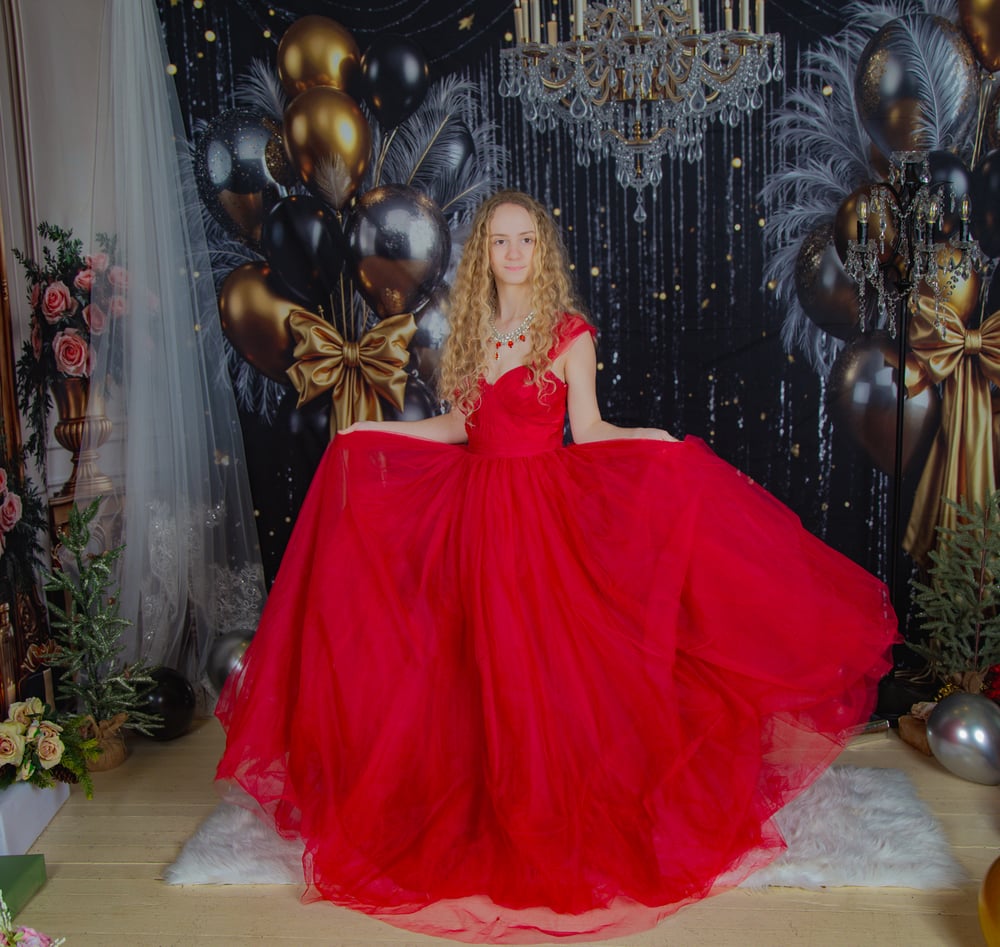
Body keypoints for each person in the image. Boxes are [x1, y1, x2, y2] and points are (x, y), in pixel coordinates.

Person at [215, 189, 898, 943]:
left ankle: (544, 815)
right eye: (500, 241)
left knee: (540, 669)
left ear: (542, 251)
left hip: (540, 519)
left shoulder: (568, 333)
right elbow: (458, 425)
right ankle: (486, 806)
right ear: (484, 254)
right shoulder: (469, 332)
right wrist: (373, 435)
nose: (513, 253)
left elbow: (590, 428)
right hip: (472, 518)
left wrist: (653, 442)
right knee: (469, 667)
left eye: (526, 241)